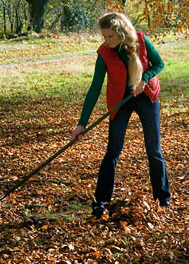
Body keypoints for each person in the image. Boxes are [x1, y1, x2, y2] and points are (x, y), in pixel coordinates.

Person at [70, 12, 170, 218]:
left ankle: (162, 199)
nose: (106, 41)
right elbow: (94, 88)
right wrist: (81, 123)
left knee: (154, 150)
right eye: (104, 37)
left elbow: (159, 64)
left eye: (110, 37)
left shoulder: (141, 40)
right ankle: (101, 201)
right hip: (120, 100)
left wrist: (144, 79)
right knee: (113, 151)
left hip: (146, 95)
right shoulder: (104, 53)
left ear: (121, 33)